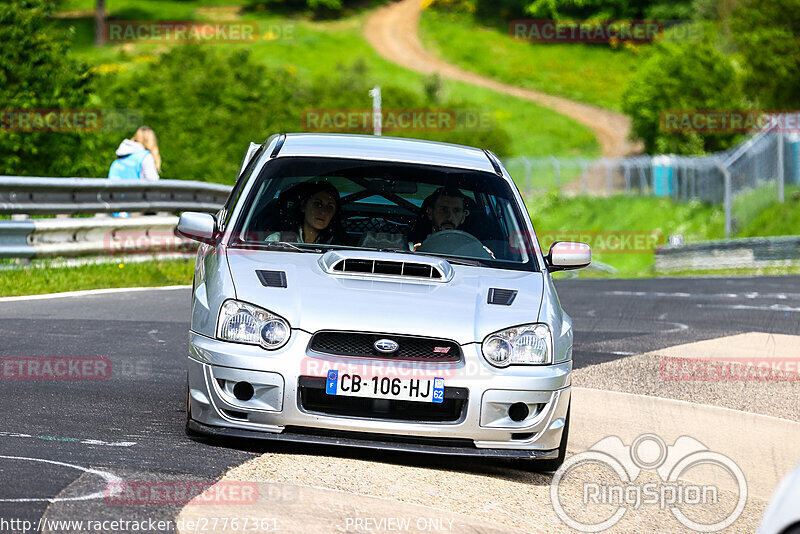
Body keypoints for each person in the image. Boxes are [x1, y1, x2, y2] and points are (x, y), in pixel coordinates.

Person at [266, 181, 340, 244]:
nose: (323, 212)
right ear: (303, 206)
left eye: (330, 207)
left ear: (334, 214)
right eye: (317, 204)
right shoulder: (277, 241)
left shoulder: (340, 247)